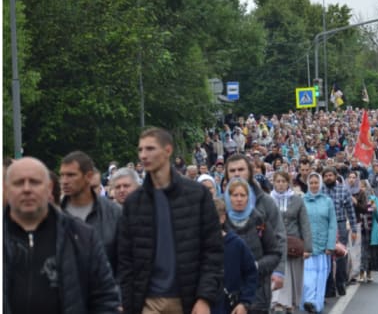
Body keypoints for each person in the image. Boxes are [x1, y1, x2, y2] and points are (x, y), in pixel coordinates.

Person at [118, 127, 224, 314]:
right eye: (140, 150)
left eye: (150, 149)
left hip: (187, 300)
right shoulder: (134, 203)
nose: (143, 155)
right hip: (147, 301)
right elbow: (125, 260)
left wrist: (204, 298)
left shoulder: (196, 195)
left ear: (168, 150)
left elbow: (212, 250)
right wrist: (128, 303)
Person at [4, 157, 120, 314]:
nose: (27, 189)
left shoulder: (82, 236)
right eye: (18, 183)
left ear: (49, 187)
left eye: (35, 182)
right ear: (6, 188)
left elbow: (105, 300)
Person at [224, 154, 287, 291]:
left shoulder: (265, 201)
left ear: (250, 171)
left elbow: (279, 236)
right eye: (232, 171)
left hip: (260, 277)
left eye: (241, 169)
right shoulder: (220, 205)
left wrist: (279, 271)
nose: (237, 174)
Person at [224, 178, 281, 314]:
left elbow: (274, 253)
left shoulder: (259, 220)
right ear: (228, 197)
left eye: (243, 195)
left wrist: (256, 266)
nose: (239, 199)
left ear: (248, 198)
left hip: (257, 292)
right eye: (235, 195)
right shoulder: (222, 223)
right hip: (228, 295)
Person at [59, 151, 122, 274]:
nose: (64, 181)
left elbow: (125, 263)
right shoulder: (54, 215)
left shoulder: (114, 213)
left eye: (71, 175)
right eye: (62, 175)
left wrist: (116, 291)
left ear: (88, 176)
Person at [270, 172, 312, 314]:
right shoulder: (268, 200)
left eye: (283, 181)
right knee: (281, 273)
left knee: (295, 276)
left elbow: (304, 224)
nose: (280, 184)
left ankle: (291, 304)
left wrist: (307, 248)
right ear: (274, 183)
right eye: (278, 181)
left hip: (294, 243)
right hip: (275, 244)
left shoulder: (297, 200)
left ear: (288, 183)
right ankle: (279, 303)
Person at [212, 198, 258, 314]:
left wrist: (244, 303)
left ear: (222, 218)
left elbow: (251, 273)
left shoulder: (236, 244)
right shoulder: (198, 245)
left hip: (231, 307)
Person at [301, 172, 337, 314]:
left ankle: (316, 306)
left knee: (321, 278)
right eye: (312, 183)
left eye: (316, 182)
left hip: (323, 248)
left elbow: (332, 224)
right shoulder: (302, 201)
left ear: (320, 184)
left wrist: (330, 245)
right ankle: (307, 303)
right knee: (308, 280)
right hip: (307, 248)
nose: (314, 185)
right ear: (308, 185)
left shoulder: (327, 201)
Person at [321, 167, 357, 297]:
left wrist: (354, 229)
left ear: (335, 176)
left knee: (341, 254)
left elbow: (350, 210)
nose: (328, 178)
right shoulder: (320, 190)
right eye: (326, 176)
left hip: (340, 224)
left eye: (330, 175)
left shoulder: (343, 190)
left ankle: (341, 282)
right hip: (324, 226)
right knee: (327, 254)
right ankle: (329, 286)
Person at [358, 180, 378, 282]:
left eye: (363, 187)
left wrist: (376, 209)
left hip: (371, 229)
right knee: (361, 252)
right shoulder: (356, 199)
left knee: (370, 253)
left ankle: (368, 273)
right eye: (359, 187)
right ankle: (360, 273)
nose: (361, 189)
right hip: (360, 229)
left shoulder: (372, 199)